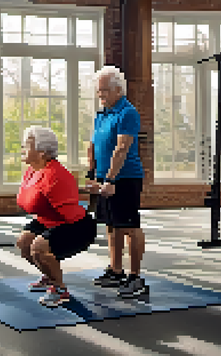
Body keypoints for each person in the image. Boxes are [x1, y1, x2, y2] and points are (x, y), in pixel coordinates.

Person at [16, 126, 97, 308]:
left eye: (28, 145)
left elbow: (71, 213)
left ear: (42, 152)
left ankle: (60, 289)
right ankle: (49, 276)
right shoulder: (32, 170)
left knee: (39, 248)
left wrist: (49, 244)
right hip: (49, 219)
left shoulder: (56, 175)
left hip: (77, 226)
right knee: (24, 243)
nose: (23, 148)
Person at [86, 65, 146, 298]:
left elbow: (121, 149)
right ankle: (116, 270)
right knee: (112, 225)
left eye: (103, 91)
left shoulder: (127, 113)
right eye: (98, 91)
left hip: (125, 177)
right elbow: (93, 146)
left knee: (130, 226)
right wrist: (93, 175)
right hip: (105, 177)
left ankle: (136, 277)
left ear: (118, 90)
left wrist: (110, 179)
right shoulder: (102, 113)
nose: (99, 95)